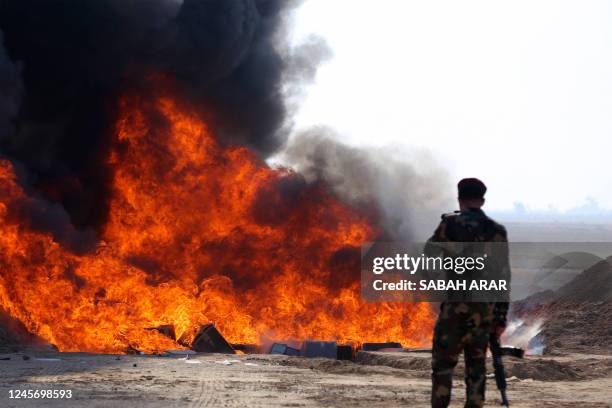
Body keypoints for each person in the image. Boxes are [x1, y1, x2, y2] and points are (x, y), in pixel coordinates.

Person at [428, 178, 510, 408]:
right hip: (482, 312)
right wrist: (500, 317)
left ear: (459, 199)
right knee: (476, 372)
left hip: (453, 310)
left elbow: (428, 254)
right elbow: (504, 278)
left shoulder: (449, 226)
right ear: (482, 200)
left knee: (442, 369)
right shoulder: (496, 231)